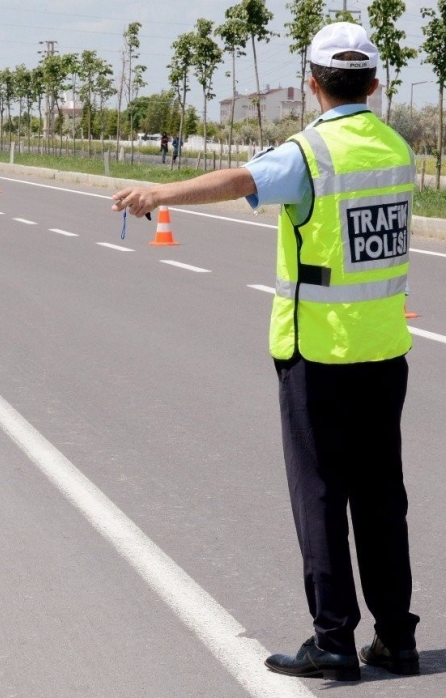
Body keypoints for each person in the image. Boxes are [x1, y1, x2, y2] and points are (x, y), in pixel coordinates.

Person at [112, 22, 419, 682]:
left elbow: (237, 179)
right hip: (385, 354)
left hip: (318, 355)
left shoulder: (312, 155)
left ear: (312, 85)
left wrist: (159, 193)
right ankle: (396, 636)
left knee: (320, 497)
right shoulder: (396, 149)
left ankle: (333, 639)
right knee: (381, 498)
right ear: (375, 83)